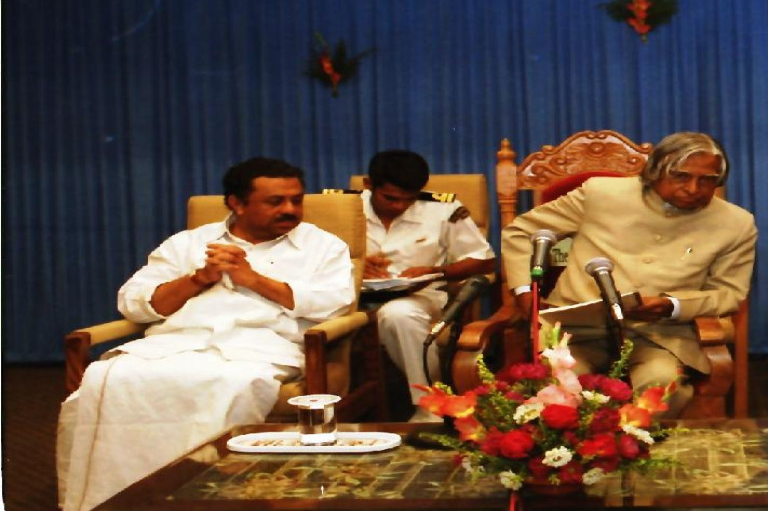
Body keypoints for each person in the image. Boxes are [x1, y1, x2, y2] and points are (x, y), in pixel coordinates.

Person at [57, 158, 354, 511]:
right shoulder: (186, 244)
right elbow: (134, 303)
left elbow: (334, 304)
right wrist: (199, 279)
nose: (290, 209)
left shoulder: (324, 247)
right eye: (276, 201)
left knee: (227, 384)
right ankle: (119, 499)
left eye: (296, 199)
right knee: (108, 378)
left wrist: (253, 279)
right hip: (174, 344)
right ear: (237, 203)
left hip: (259, 350)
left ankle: (213, 500)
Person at [501, 131, 757, 416]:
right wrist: (524, 292)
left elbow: (729, 294)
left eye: (707, 180)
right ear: (655, 172)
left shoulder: (736, 224)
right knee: (559, 386)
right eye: (681, 176)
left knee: (661, 387)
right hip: (574, 331)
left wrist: (672, 305)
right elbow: (521, 233)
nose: (693, 188)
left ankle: (635, 443)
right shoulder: (601, 194)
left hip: (659, 336)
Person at [360, 150, 496, 420]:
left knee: (398, 315)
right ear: (368, 185)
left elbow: (484, 260)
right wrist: (354, 265)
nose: (399, 206)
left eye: (409, 199)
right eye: (390, 198)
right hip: (351, 298)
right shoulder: (343, 208)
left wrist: (437, 270)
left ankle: (430, 406)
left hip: (417, 296)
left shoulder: (443, 209)